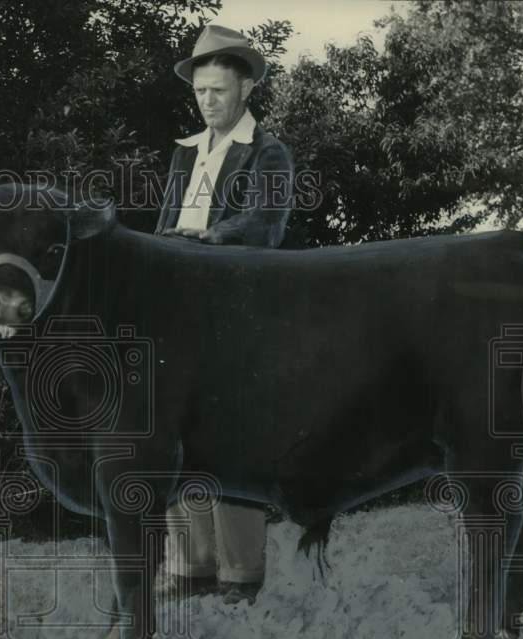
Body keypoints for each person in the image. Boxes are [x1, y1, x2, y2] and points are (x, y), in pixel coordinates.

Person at [155, 24, 295, 606]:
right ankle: (189, 568)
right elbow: (162, 229)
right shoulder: (185, 152)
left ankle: (241, 577)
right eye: (200, 92)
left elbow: (266, 224)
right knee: (177, 432)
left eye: (217, 91)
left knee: (231, 440)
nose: (207, 101)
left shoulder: (268, 152)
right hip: (180, 311)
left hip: (238, 310)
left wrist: (205, 241)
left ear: (245, 91)